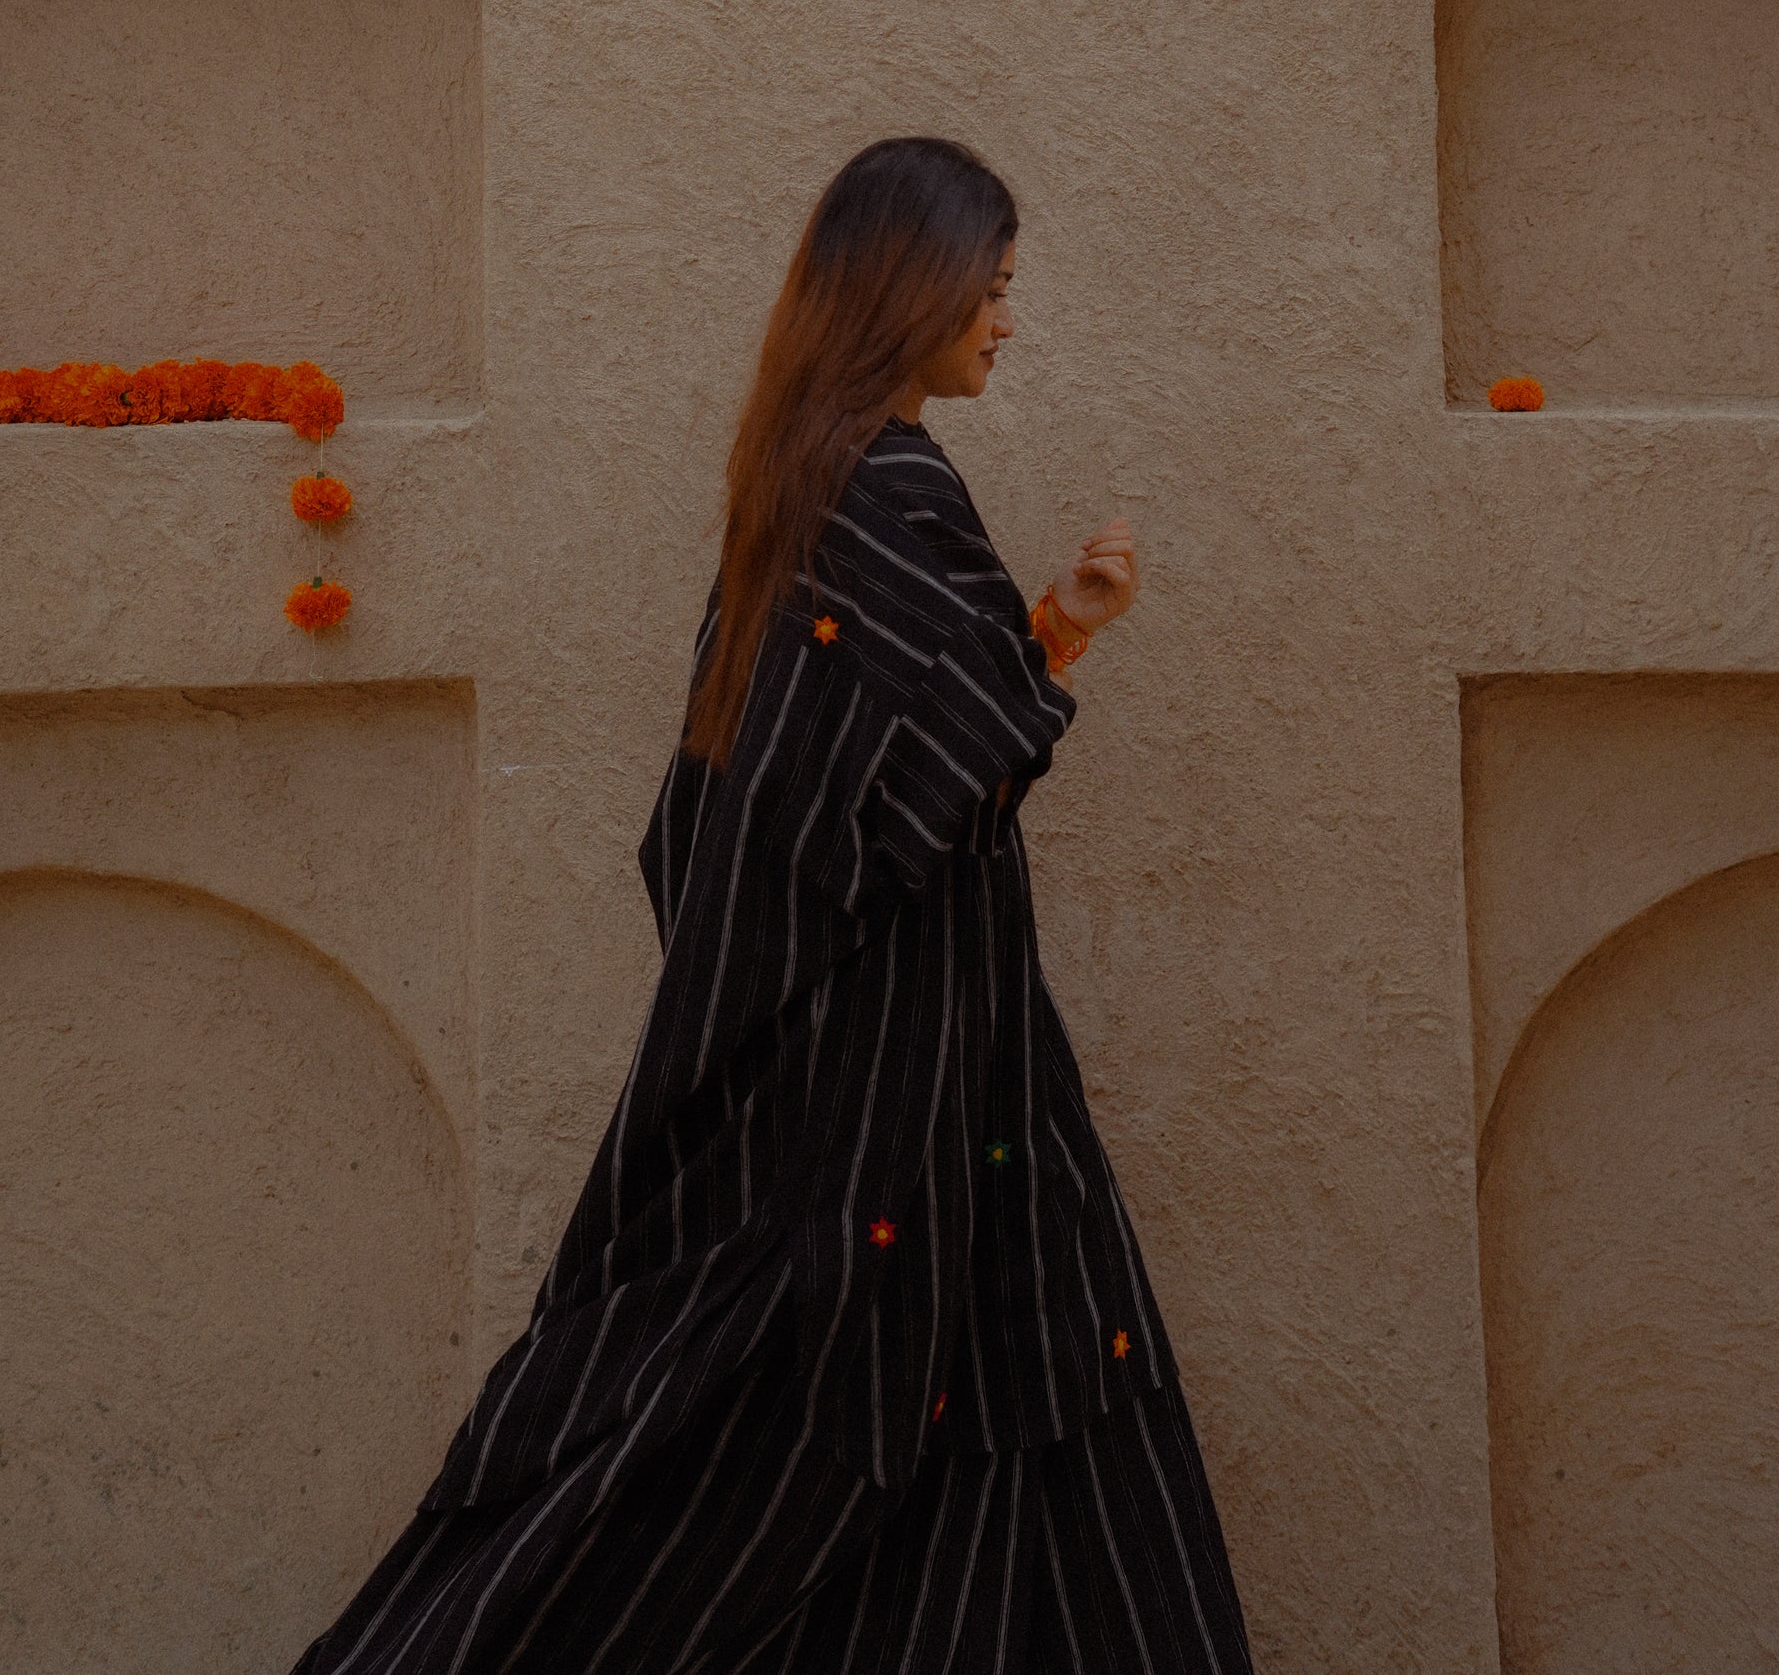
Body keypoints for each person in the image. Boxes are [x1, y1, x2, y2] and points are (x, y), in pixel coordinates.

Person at [294, 135, 1255, 1674]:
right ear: (915, 287)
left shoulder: (806, 472)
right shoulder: (891, 481)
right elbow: (912, 784)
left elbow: (825, 782)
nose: (1007, 324)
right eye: (993, 290)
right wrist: (1051, 652)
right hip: (903, 1083)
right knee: (879, 1408)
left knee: (852, 1411)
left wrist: (1050, 633)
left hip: (889, 1071)